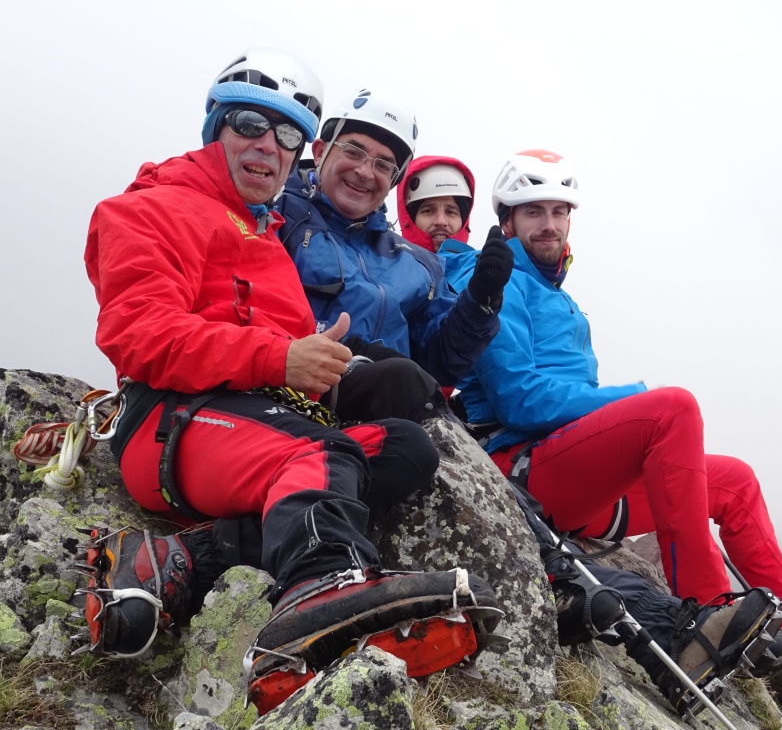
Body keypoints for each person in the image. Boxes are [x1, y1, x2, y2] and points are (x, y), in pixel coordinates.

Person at [80, 48, 501, 716]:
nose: (269, 147)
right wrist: (278, 362)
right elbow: (140, 337)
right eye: (251, 123)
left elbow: (290, 350)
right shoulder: (146, 210)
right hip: (171, 421)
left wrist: (342, 373)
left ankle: (177, 559)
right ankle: (317, 591)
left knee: (403, 450)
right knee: (321, 455)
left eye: (288, 137)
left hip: (252, 421)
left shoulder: (265, 235)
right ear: (214, 124)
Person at [442, 149, 782, 713]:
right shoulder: (496, 275)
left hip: (578, 481)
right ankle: (707, 612)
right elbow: (520, 398)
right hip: (526, 473)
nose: (549, 224)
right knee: (671, 408)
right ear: (506, 221)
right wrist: (630, 397)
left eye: (560, 211)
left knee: (733, 481)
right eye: (532, 211)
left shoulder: (554, 291)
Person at [276, 94, 512, 425]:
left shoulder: (418, 263)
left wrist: (482, 301)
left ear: (394, 180)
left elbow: (442, 360)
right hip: (292, 393)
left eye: (384, 165)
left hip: (389, 408)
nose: (364, 171)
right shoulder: (276, 217)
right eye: (353, 151)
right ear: (320, 151)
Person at [397, 155, 474, 252]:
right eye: (428, 211)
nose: (441, 221)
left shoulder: (481, 266)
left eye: (451, 212)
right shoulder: (384, 264)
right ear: (409, 219)